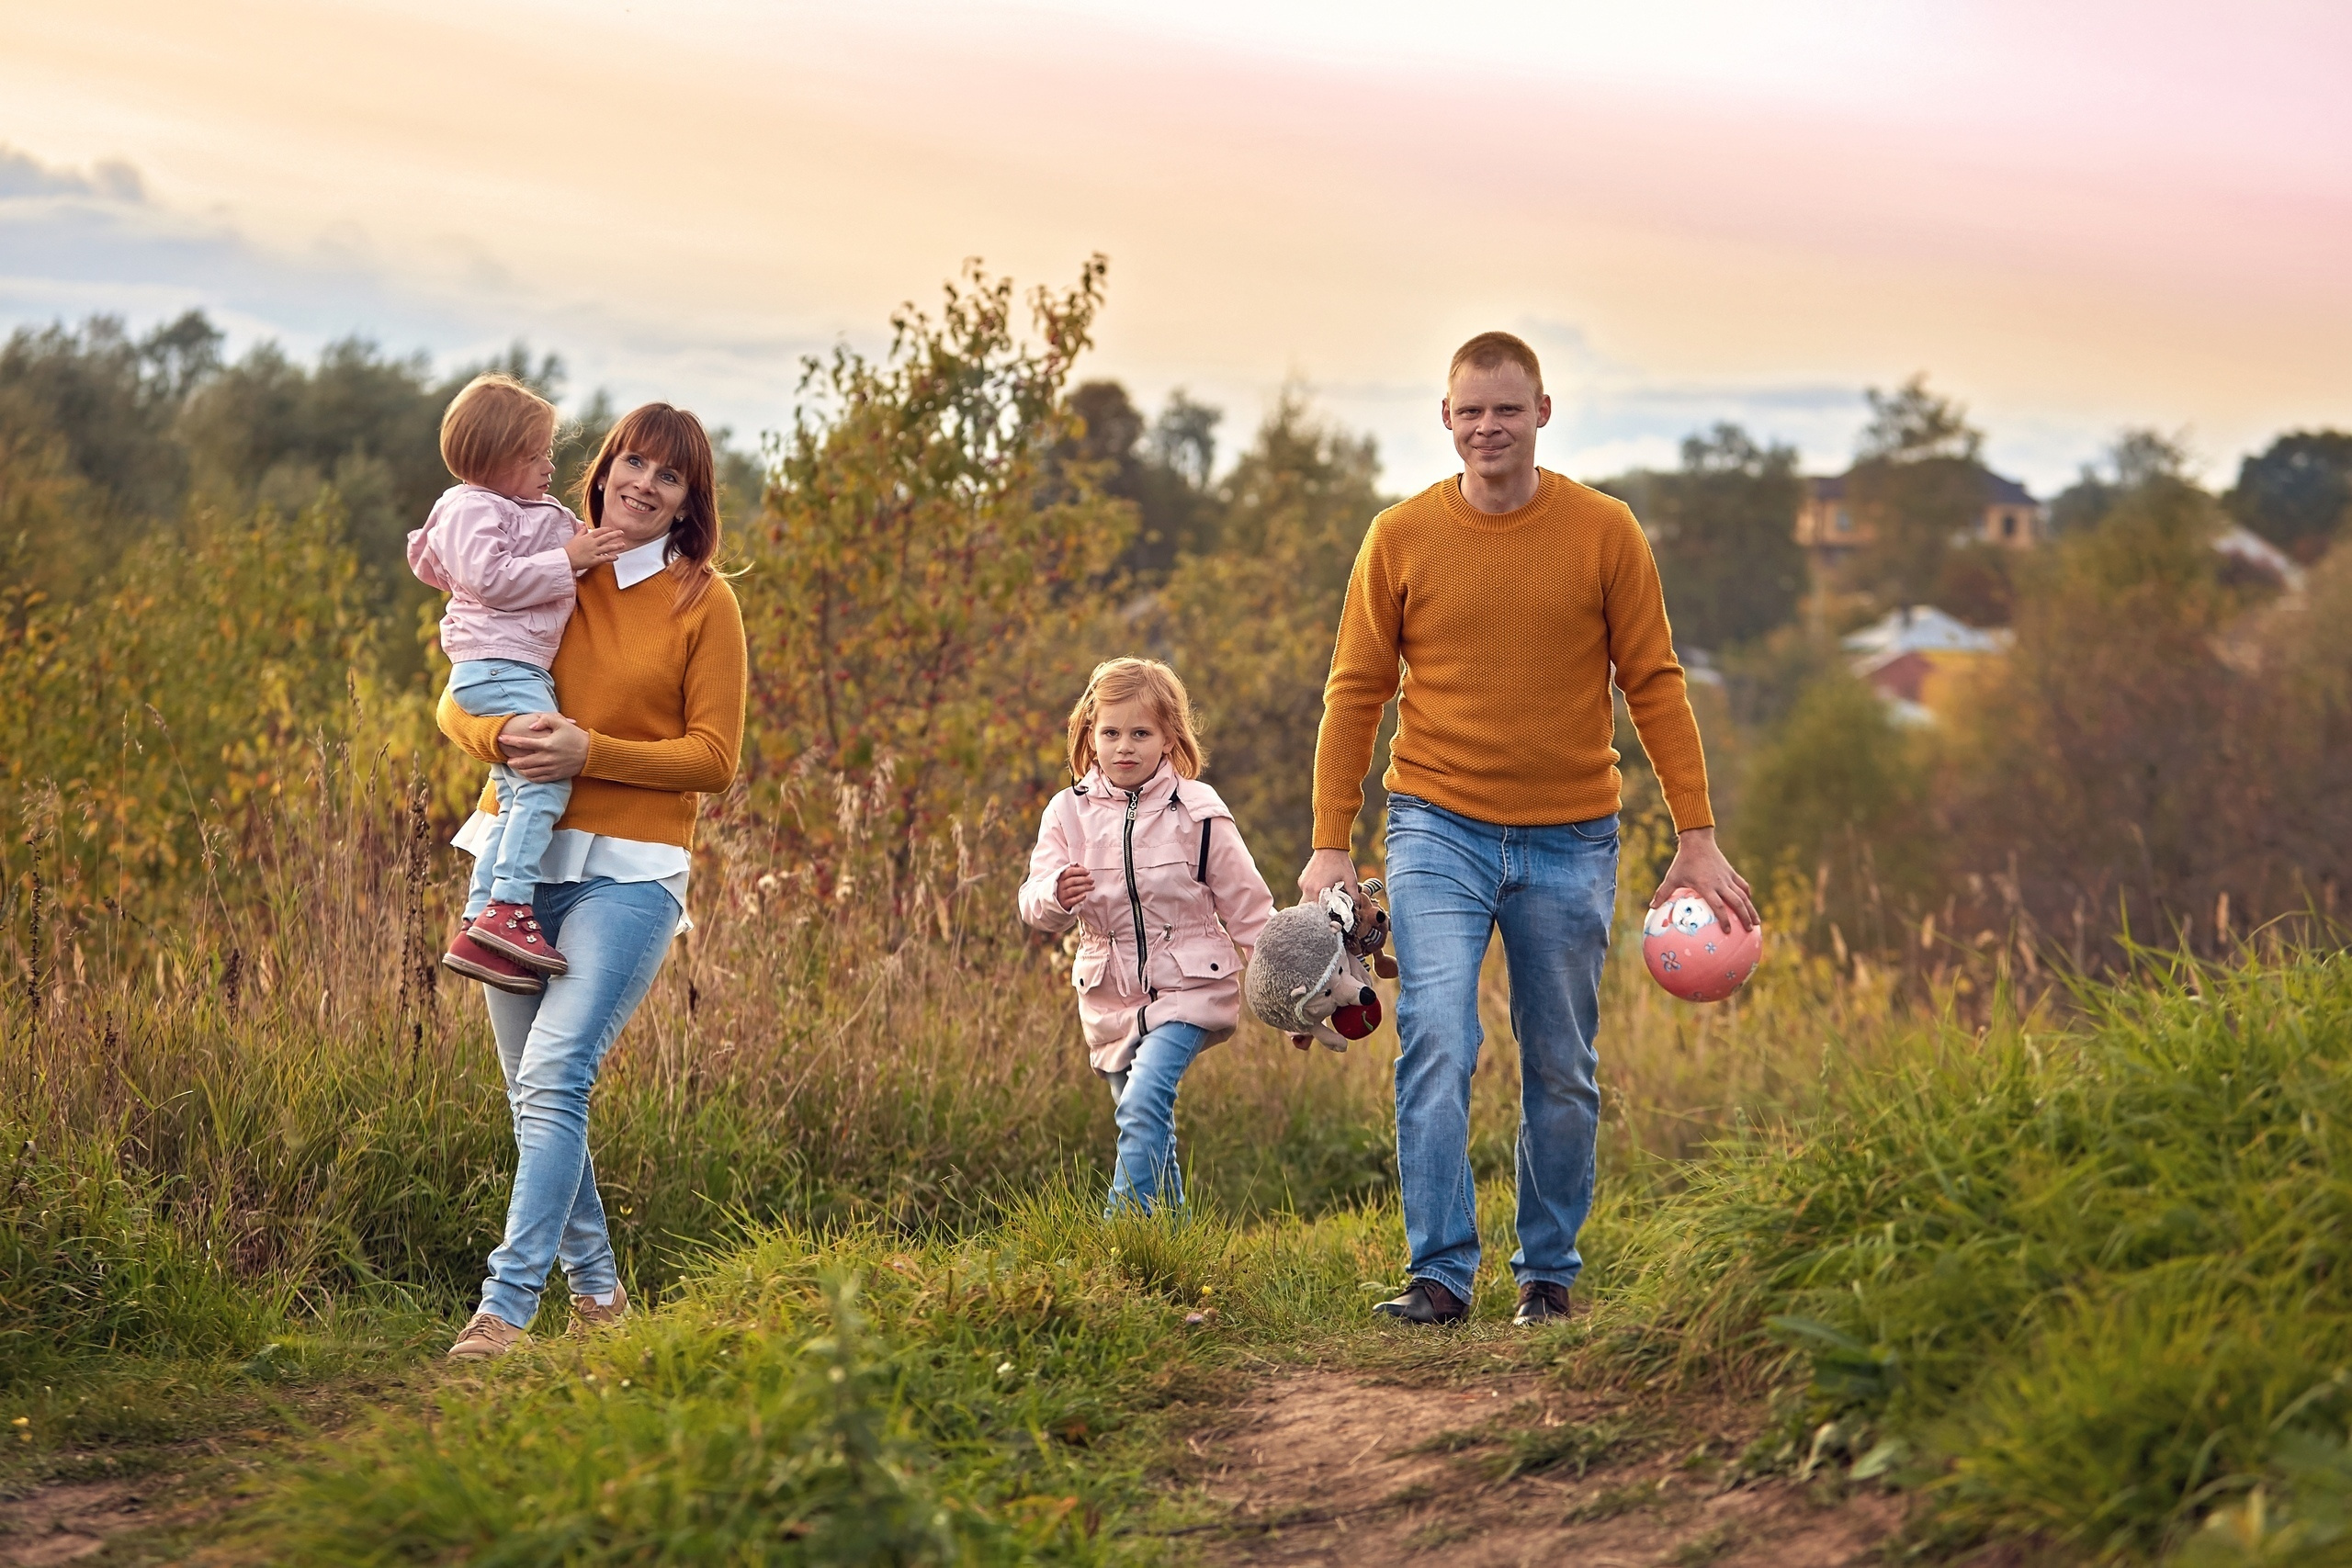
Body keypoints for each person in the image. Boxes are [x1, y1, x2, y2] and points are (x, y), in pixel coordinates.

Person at [1302, 332, 1755, 1327]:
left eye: (1506, 409)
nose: (1487, 427)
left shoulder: (1604, 532)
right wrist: (1331, 839)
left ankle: (1546, 1274)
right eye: (1469, 411)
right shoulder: (1400, 537)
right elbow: (1355, 690)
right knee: (1436, 1038)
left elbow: (1656, 683)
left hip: (1570, 834)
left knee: (1560, 1059)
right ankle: (1439, 1276)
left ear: (1542, 413)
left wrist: (1698, 832)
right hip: (1435, 825)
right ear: (1446, 420)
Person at [435, 402, 747, 1359]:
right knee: (537, 1096)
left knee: (558, 1075)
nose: (644, 484)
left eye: (669, 475)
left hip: (630, 873)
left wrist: (589, 750)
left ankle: (505, 1311)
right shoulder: (550, 558)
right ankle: (602, 1297)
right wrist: (500, 739)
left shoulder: (705, 602)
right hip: (513, 871)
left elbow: (713, 759)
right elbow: (458, 693)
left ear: (689, 500)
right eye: (632, 463)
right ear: (603, 469)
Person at [1019, 658, 1274, 1215]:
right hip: (1109, 996)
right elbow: (1034, 902)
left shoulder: (1199, 811)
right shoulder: (1069, 813)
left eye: (1141, 733)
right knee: (1147, 1122)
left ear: (1168, 738)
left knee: (1143, 1102)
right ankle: (1173, 1249)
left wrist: (1289, 1000)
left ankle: (1116, 1238)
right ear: (1089, 733)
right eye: (1110, 733)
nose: (1124, 746)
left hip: (1190, 989)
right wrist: (1057, 894)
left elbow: (1250, 910)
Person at [409, 373, 631, 988]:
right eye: (533, 455)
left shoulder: (514, 507)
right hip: (499, 666)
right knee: (547, 781)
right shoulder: (469, 507)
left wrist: (586, 544)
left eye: (547, 451)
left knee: (514, 794)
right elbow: (493, 578)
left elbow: (551, 543)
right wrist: (570, 560)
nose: (547, 463)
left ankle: (480, 920)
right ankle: (509, 906)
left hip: (509, 665)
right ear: (491, 459)